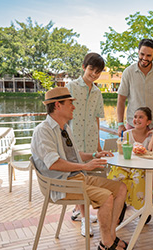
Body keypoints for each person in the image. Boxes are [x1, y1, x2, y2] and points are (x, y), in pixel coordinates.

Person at [31, 87, 128, 250]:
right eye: (70, 103)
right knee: (106, 197)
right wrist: (84, 166)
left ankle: (110, 236)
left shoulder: (65, 128)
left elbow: (74, 156)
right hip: (61, 184)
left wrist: (94, 155)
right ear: (58, 105)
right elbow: (54, 163)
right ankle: (107, 245)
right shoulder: (43, 131)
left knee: (121, 188)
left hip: (77, 178)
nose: (74, 107)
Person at [66, 53, 105, 224]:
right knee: (78, 176)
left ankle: (77, 210)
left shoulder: (97, 92)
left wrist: (98, 145)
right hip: (73, 139)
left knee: (85, 176)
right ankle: (84, 218)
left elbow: (97, 118)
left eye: (98, 72)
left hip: (90, 140)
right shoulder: (71, 87)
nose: (94, 74)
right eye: (91, 69)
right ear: (84, 67)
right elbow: (63, 115)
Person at [117, 38, 153, 136]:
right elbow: (121, 99)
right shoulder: (128, 72)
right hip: (133, 124)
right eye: (142, 54)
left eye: (148, 55)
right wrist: (120, 124)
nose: (144, 58)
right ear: (138, 52)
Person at [108, 107, 153, 210]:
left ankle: (143, 207)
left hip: (142, 167)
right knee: (116, 177)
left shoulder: (150, 138)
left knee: (138, 177)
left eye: (141, 117)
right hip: (125, 166)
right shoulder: (126, 135)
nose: (137, 119)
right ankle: (119, 204)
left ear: (148, 122)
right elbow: (121, 154)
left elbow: (150, 150)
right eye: (135, 117)